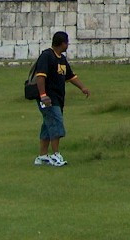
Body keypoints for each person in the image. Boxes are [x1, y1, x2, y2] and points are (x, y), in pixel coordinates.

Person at [31, 31, 91, 167]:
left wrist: (83, 88)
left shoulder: (62, 59)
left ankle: (42, 156)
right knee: (56, 123)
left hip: (58, 98)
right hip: (48, 98)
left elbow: (70, 76)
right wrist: (43, 95)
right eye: (67, 42)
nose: (68, 45)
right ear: (63, 43)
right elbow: (40, 76)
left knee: (48, 125)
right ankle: (56, 154)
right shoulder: (47, 56)